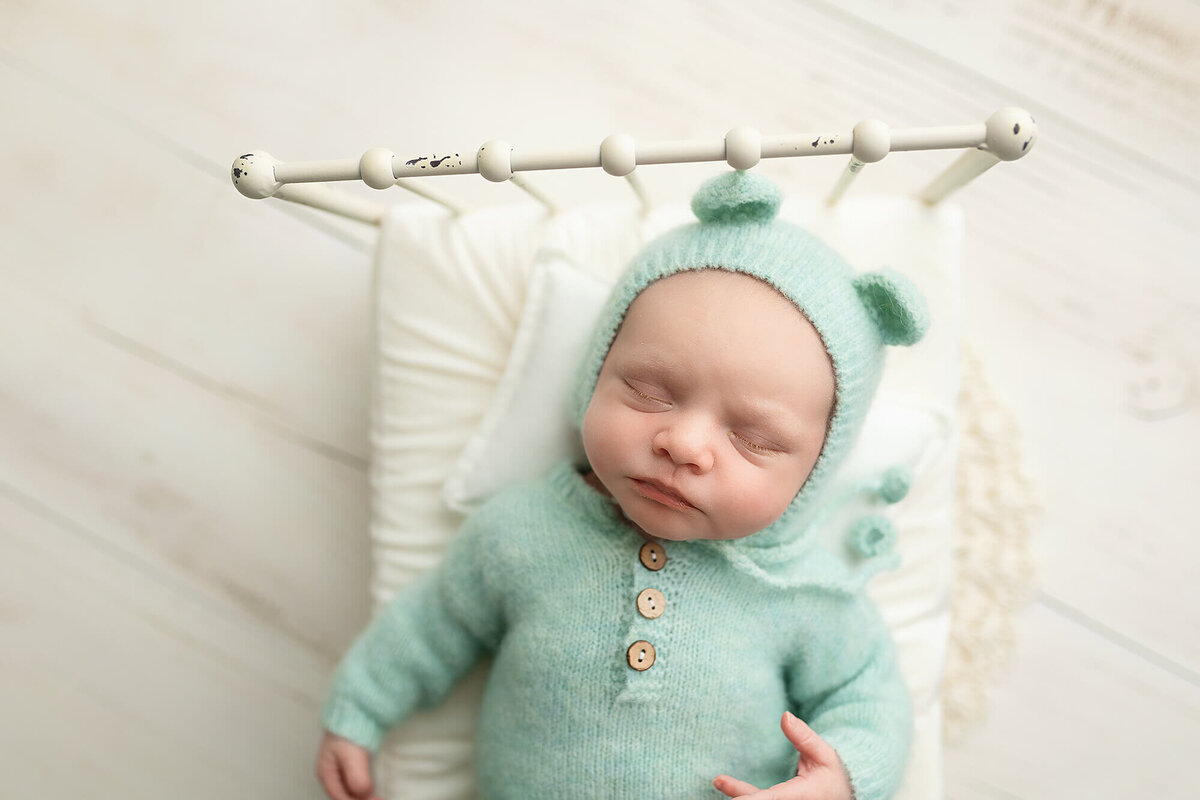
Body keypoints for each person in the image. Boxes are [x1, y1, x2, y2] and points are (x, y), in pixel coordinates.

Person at [316, 170, 929, 800]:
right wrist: (357, 711)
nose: (684, 445)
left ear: (813, 474)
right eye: (649, 392)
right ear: (596, 372)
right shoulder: (523, 530)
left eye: (755, 439)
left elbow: (869, 697)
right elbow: (430, 625)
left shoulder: (804, 591)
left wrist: (843, 780)